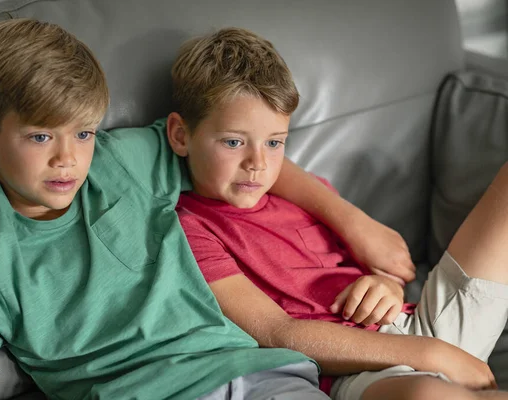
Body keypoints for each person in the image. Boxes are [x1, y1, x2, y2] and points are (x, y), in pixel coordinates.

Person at [0, 19, 412, 400]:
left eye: (84, 132)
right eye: (41, 136)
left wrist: (352, 220)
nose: (68, 159)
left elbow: (245, 154)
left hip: (256, 375)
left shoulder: (120, 162)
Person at [168, 27, 508, 400]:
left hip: (420, 320)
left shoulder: (303, 192)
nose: (258, 164)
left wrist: (386, 287)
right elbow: (276, 333)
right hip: (356, 366)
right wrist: (434, 354)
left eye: (275, 143)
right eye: (234, 142)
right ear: (180, 136)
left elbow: (390, 272)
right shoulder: (189, 228)